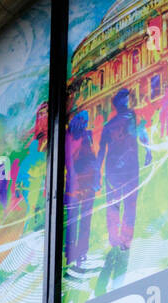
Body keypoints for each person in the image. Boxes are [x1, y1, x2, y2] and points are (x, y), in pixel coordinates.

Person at [96, 87, 151, 291]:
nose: (127, 103)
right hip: (122, 169)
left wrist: (147, 150)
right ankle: (121, 241)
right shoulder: (117, 123)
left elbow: (140, 133)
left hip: (122, 168)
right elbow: (102, 149)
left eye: (127, 100)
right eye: (124, 100)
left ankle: (121, 240)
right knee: (122, 205)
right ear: (119, 103)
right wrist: (147, 150)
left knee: (120, 205)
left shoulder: (118, 122)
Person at [65, 110, 102, 265]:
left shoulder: (86, 135)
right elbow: (69, 161)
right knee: (73, 218)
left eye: (85, 121)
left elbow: (93, 157)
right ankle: (71, 252)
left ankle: (81, 253)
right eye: (81, 120)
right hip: (75, 184)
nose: (83, 123)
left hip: (87, 183)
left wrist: (97, 177)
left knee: (85, 218)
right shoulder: (68, 137)